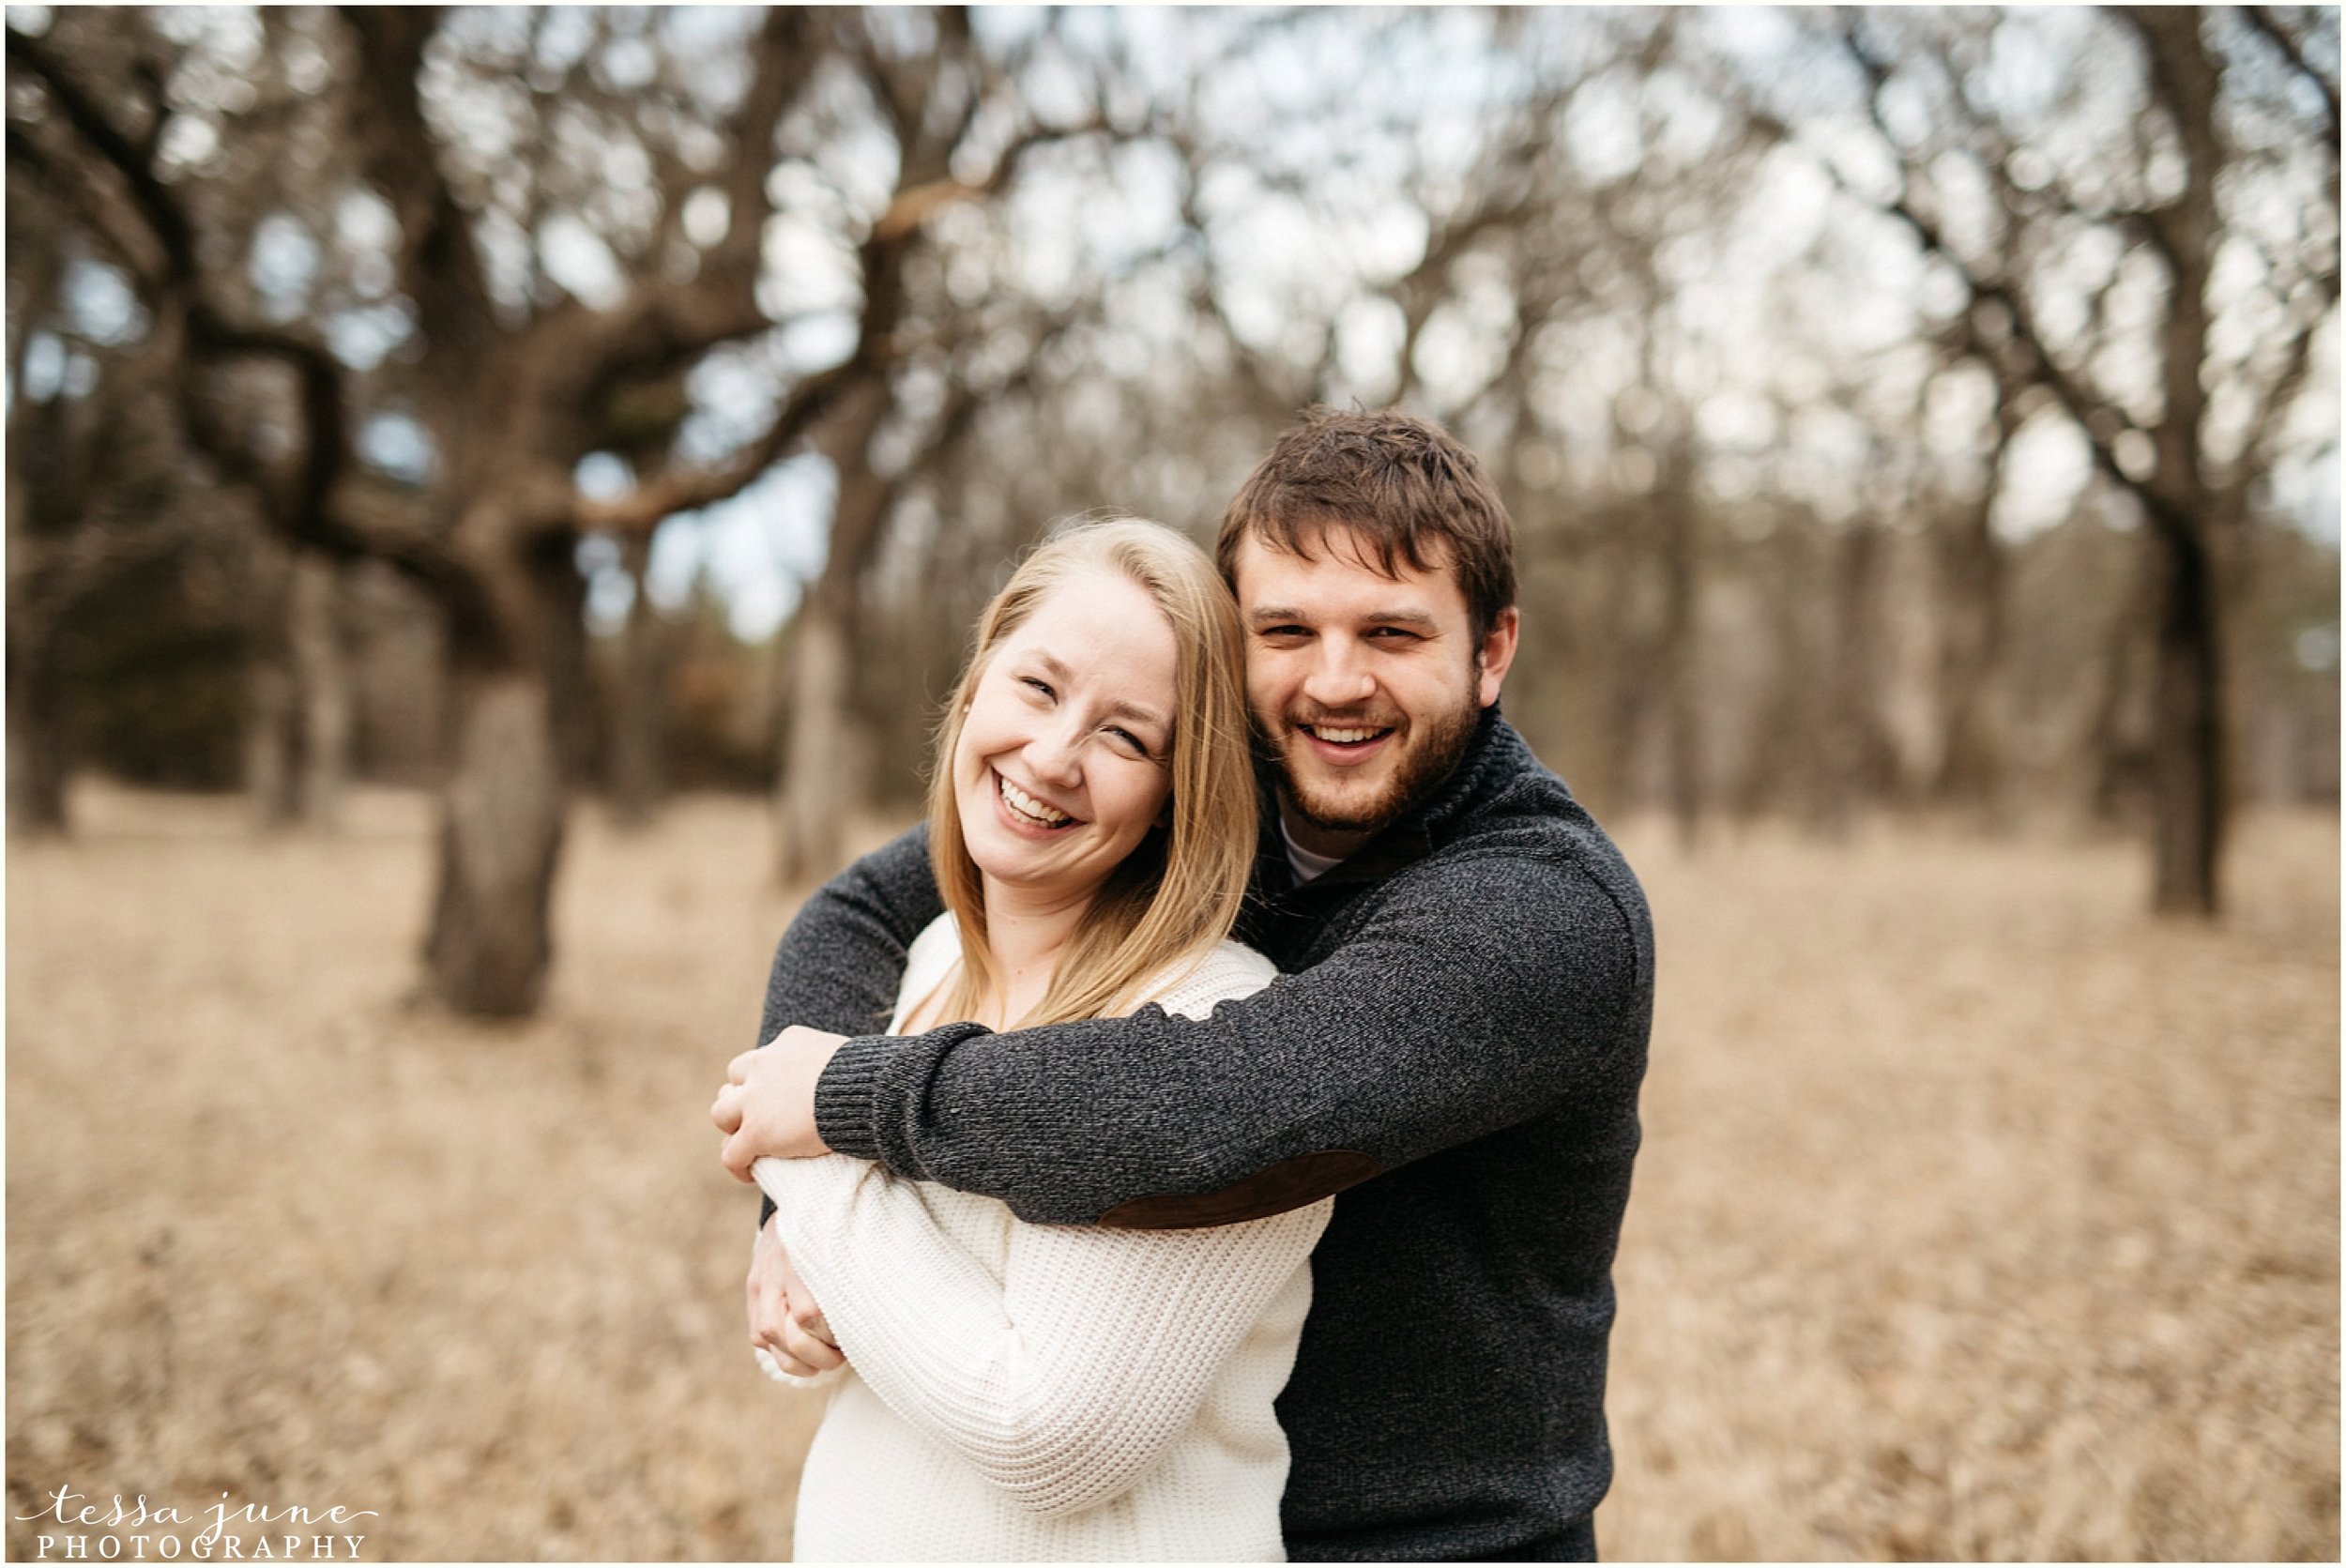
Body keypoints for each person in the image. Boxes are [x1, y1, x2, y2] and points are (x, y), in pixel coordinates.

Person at [717, 409, 1655, 1561]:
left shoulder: (1542, 911)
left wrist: (834, 1118)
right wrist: (789, 1212)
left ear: (1491, 649)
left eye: (1393, 634)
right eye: (1287, 629)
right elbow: (864, 910)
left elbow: (1220, 1106)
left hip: (1436, 1538)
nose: (1336, 680)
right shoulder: (1183, 800)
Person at [714, 518, 1332, 1560]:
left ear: (1178, 795)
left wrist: (802, 1147)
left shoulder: (1214, 1026)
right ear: (973, 685)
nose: (1051, 756)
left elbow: (1046, 1435)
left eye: (1124, 736)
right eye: (1038, 688)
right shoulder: (930, 959)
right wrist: (798, 1284)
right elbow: (866, 1333)